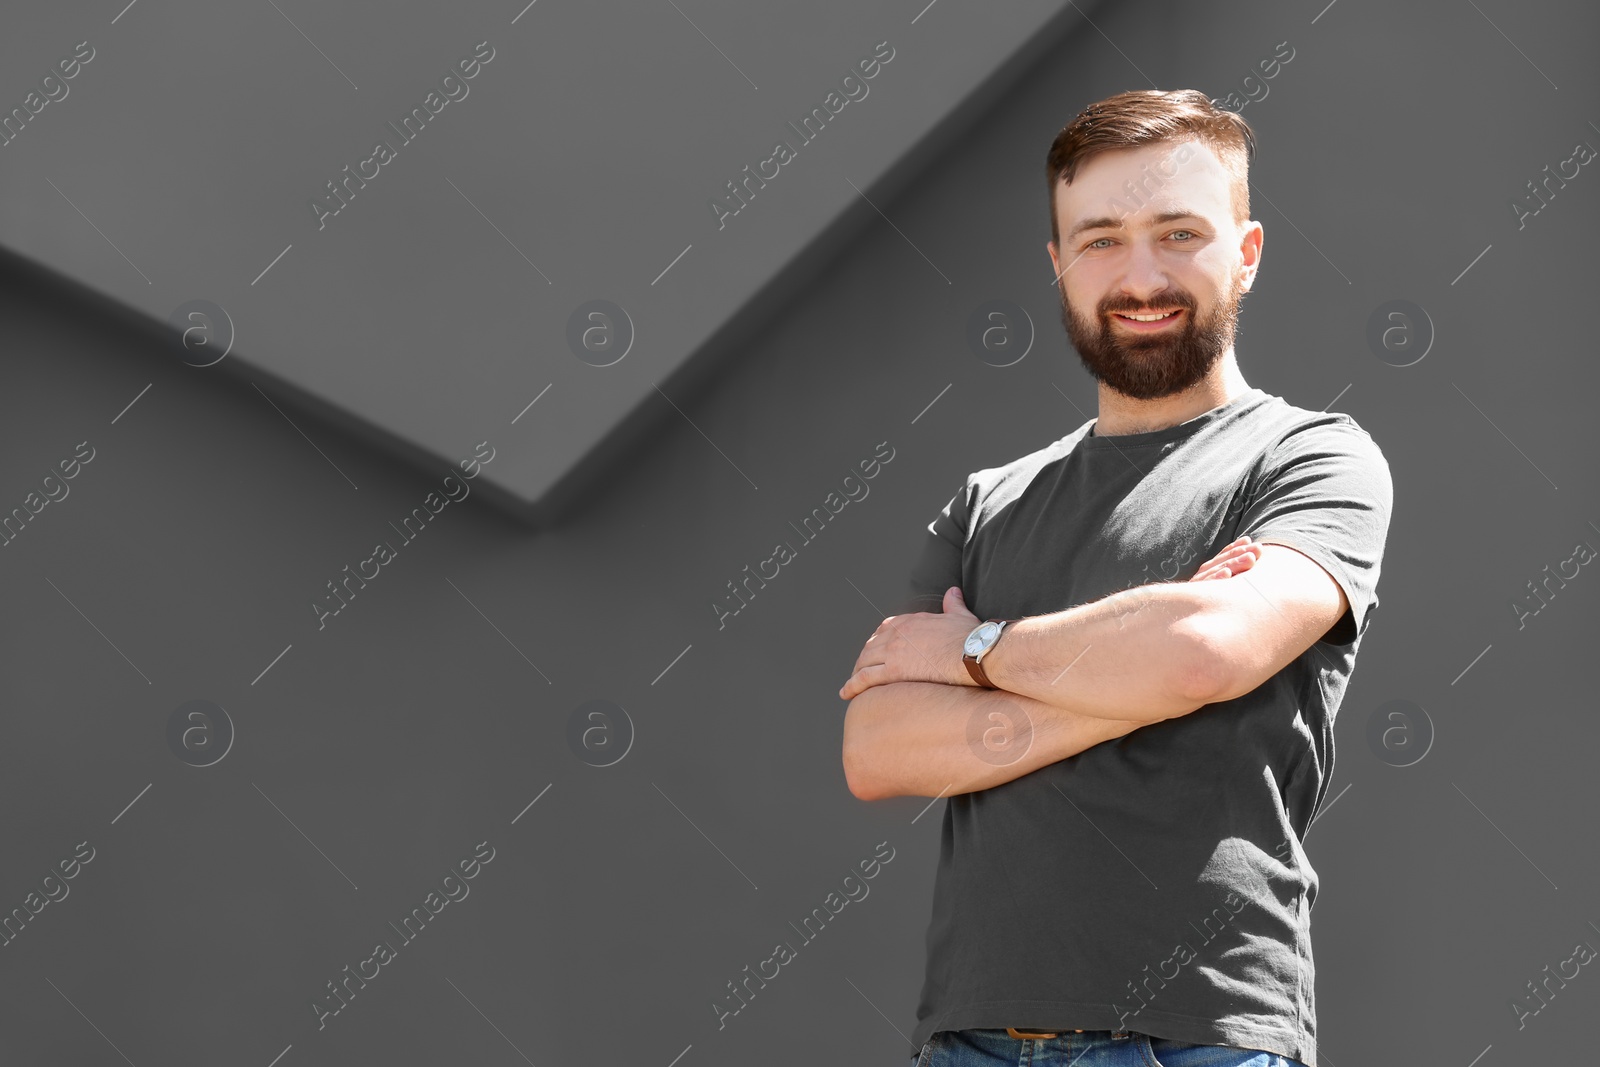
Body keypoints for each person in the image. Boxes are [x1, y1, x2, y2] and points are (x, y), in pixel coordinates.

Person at [838, 88, 1393, 1067]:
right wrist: (1130, 679)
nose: (1140, 274)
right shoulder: (988, 501)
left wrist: (969, 652)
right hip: (971, 1041)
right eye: (1100, 239)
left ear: (1247, 251)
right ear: (1057, 266)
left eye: (1178, 232)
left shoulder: (1310, 460)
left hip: (1200, 1040)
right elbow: (877, 746)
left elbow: (1195, 653)